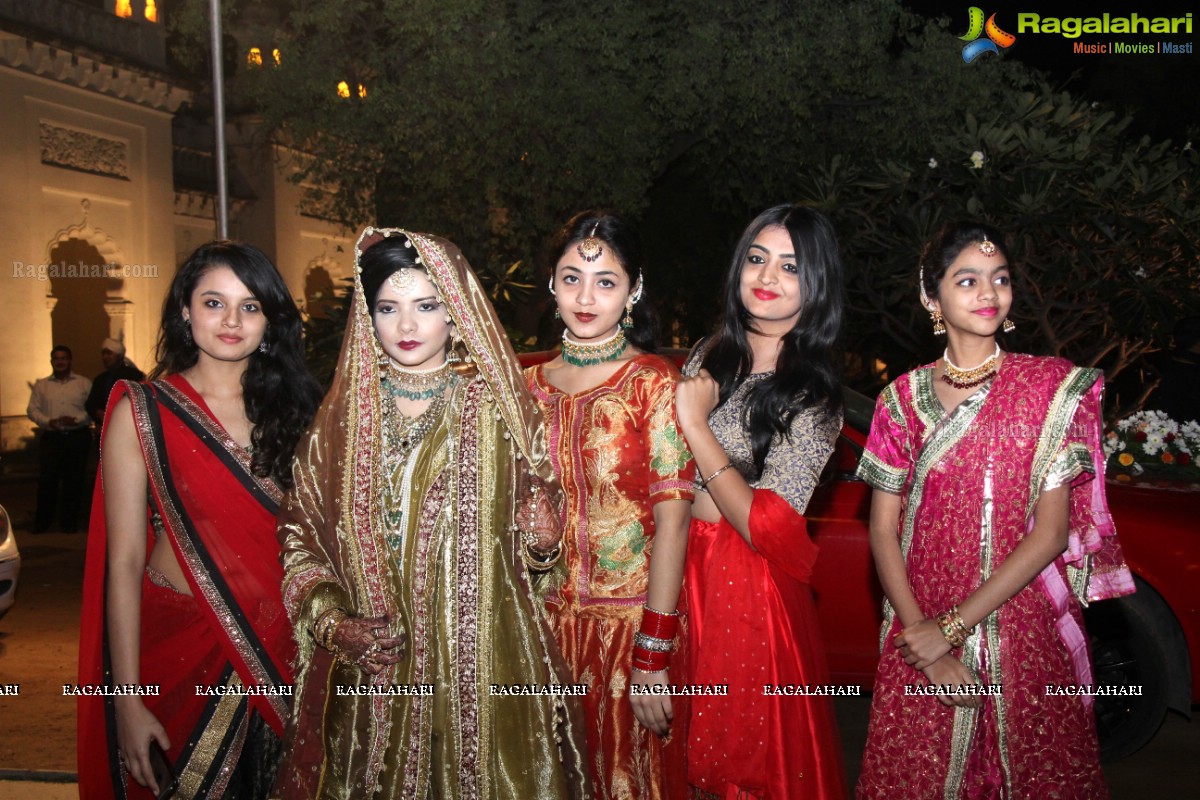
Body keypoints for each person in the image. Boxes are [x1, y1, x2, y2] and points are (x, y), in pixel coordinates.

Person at [274, 228, 590, 800]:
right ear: (367, 318)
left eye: (426, 305)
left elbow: (540, 560)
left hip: (485, 669)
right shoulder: (338, 424)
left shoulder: (499, 412)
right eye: (388, 308)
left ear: (456, 312)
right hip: (372, 671)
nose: (407, 326)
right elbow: (300, 538)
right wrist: (332, 623)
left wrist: (543, 541)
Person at [855, 222, 1134, 798]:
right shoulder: (901, 401)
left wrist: (953, 628)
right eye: (968, 280)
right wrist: (923, 641)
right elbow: (883, 530)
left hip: (1024, 627)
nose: (988, 293)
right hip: (919, 617)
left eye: (999, 280)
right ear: (932, 299)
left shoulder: (1047, 390)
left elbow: (1052, 533)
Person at [77, 241, 322, 799]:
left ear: (271, 321)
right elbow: (124, 561)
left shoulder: (303, 414)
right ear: (185, 312)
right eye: (214, 302)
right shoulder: (140, 411)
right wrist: (127, 698)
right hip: (180, 650)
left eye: (251, 306)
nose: (232, 320)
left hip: (285, 648)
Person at [675, 204, 849, 799]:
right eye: (757, 258)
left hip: (746, 588)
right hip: (679, 566)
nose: (766, 277)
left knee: (743, 764)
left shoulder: (815, 394)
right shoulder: (711, 353)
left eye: (789, 267)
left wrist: (697, 428)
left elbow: (768, 525)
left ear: (817, 283)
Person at [526, 211, 695, 800]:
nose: (586, 296)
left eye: (606, 281)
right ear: (551, 283)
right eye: (571, 277)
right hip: (541, 631)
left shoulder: (653, 383)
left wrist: (653, 653)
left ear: (634, 291)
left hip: (628, 632)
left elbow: (675, 523)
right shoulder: (528, 387)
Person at [27, 345, 92, 532]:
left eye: (64, 358)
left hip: (77, 437)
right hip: (52, 438)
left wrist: (76, 420)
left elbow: (91, 407)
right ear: (51, 361)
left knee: (74, 481)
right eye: (56, 358)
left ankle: (69, 523)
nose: (60, 362)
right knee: (48, 481)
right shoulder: (42, 385)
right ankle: (43, 522)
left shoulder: (83, 384)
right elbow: (32, 410)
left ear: (70, 360)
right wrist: (50, 421)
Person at [85, 337, 146, 426]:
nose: (105, 357)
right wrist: (97, 412)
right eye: (103, 354)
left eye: (109, 353)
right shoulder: (100, 379)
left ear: (119, 356)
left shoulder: (134, 376)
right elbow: (90, 404)